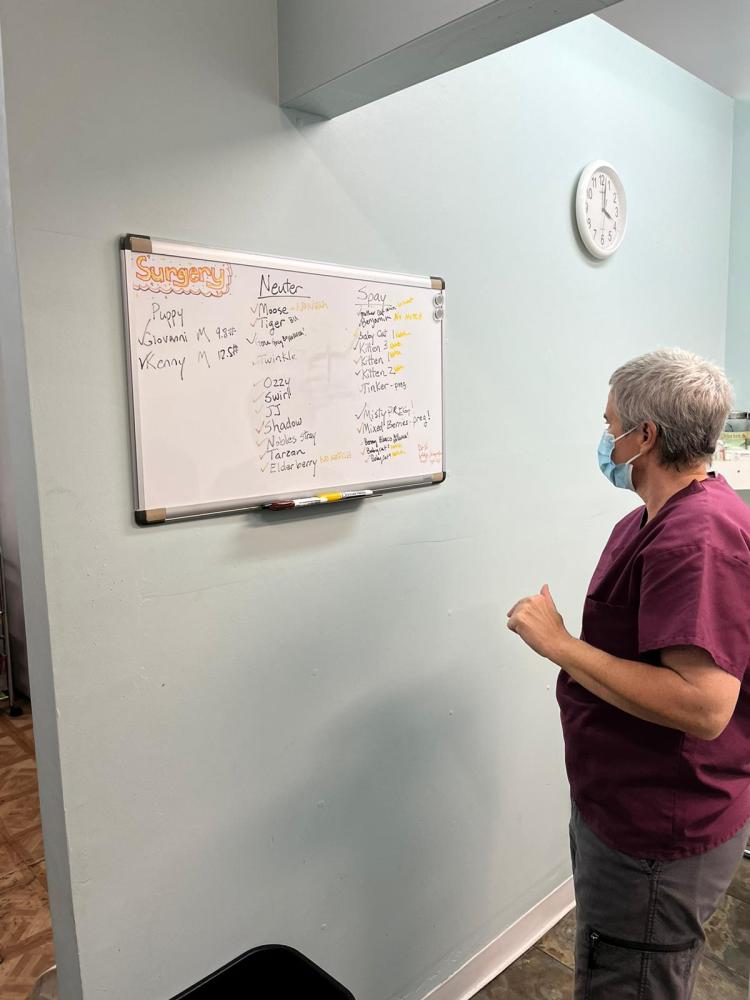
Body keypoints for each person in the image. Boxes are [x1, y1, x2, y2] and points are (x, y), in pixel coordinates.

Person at [507, 348, 750, 999]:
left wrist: (558, 644)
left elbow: (705, 707)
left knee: (633, 981)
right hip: (620, 802)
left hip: (659, 826)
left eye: (609, 421)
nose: (604, 436)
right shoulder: (652, 520)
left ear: (644, 436)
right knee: (615, 962)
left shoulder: (697, 539)